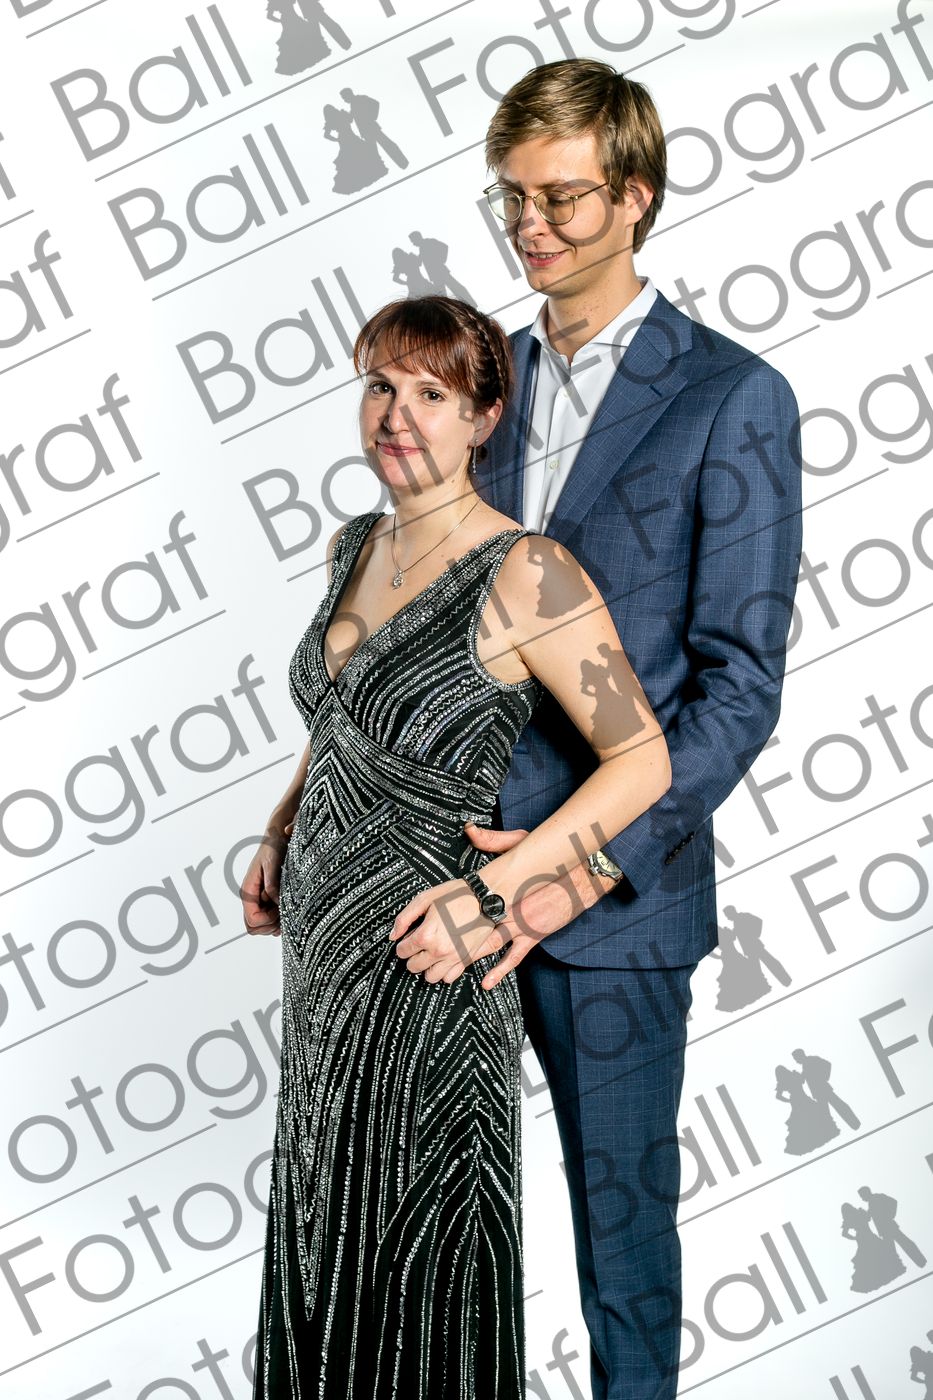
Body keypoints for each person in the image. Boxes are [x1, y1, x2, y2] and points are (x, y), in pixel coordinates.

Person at [242, 294, 671, 1398]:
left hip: (431, 955)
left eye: (430, 393)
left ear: (483, 420)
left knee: (424, 1240)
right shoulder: (352, 545)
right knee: (324, 1218)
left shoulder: (530, 570)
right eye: (380, 386)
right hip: (324, 967)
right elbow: (344, 718)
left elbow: (642, 760)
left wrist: (498, 891)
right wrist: (284, 823)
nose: (397, 415)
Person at [466, 58, 803, 1398]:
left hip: (615, 904)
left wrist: (578, 861)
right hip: (449, 879)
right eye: (512, 198)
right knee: (435, 1230)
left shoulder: (731, 397)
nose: (531, 225)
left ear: (635, 196)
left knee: (622, 1252)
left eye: (560, 198)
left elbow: (739, 684)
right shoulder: (477, 379)